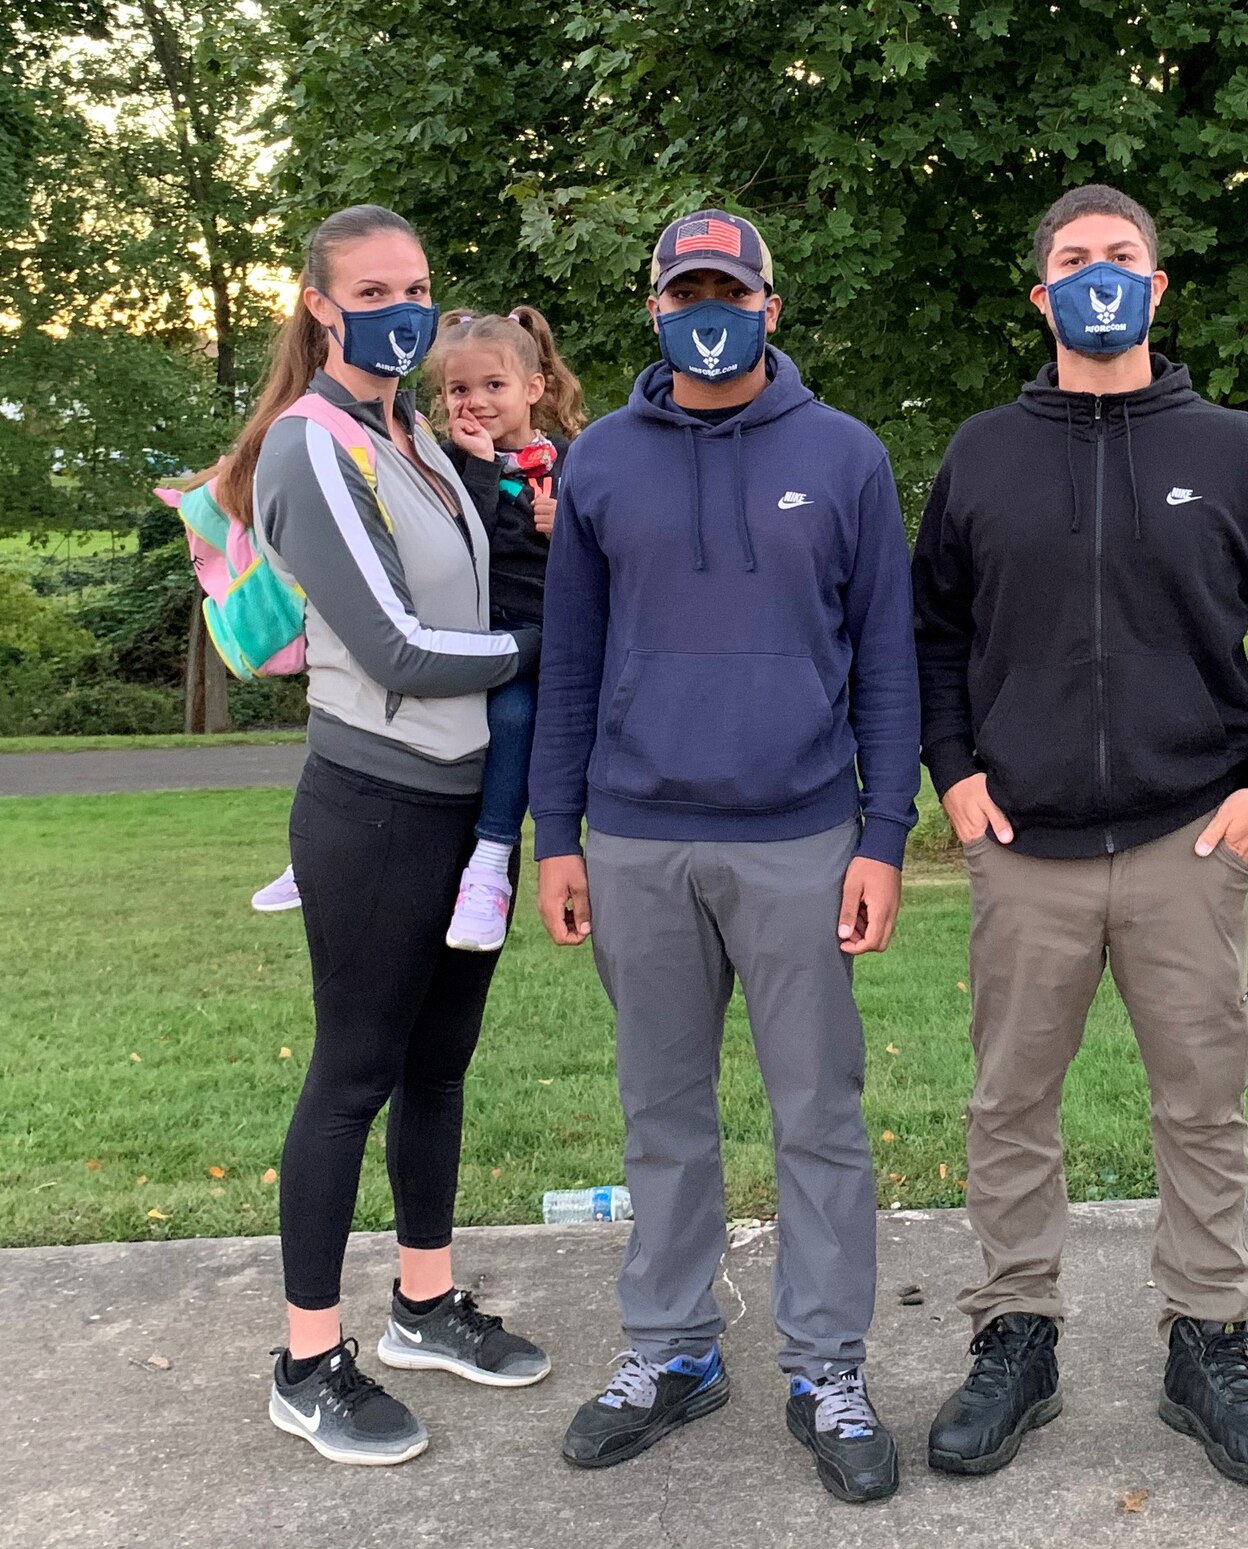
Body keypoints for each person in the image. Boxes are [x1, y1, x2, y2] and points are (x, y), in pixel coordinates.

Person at [911, 184, 1248, 1487]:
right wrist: (952, 772)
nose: (1099, 276)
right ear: (1039, 296)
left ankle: (1206, 1343)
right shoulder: (984, 453)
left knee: (1202, 1109)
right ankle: (1015, 1337)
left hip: (1188, 845)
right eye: (1073, 261)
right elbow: (930, 635)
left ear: (1159, 288)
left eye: (1122, 258)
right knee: (1009, 1103)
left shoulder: (1232, 448)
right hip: (1023, 848)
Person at [530, 210, 920, 1504]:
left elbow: (890, 666)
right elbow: (570, 665)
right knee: (664, 1116)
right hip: (636, 838)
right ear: (654, 309)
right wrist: (557, 835)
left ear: (770, 303)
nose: (710, 308)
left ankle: (827, 1370)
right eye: (687, 290)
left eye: (730, 288)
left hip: (801, 836)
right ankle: (673, 1351)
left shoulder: (846, 457)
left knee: (818, 1116)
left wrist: (881, 837)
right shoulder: (599, 465)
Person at [228, 204, 551, 1467]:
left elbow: (490, 565)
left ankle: (423, 1302)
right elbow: (399, 654)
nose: (399, 308)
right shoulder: (311, 447)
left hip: (468, 809)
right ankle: (308, 1361)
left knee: (439, 1066)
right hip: (372, 805)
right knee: (352, 1075)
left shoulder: (409, 426)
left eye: (415, 283)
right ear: (319, 304)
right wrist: (550, 655)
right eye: (371, 288)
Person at [428, 305, 586, 950]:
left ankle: (506, 861)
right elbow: (459, 547)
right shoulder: (444, 465)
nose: (477, 401)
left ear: (534, 388)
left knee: (540, 725)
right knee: (494, 719)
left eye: (494, 386)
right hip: (482, 635)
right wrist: (480, 465)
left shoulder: (577, 462)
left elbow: (619, 554)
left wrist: (569, 531)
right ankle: (484, 861)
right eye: (459, 389)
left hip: (557, 635)